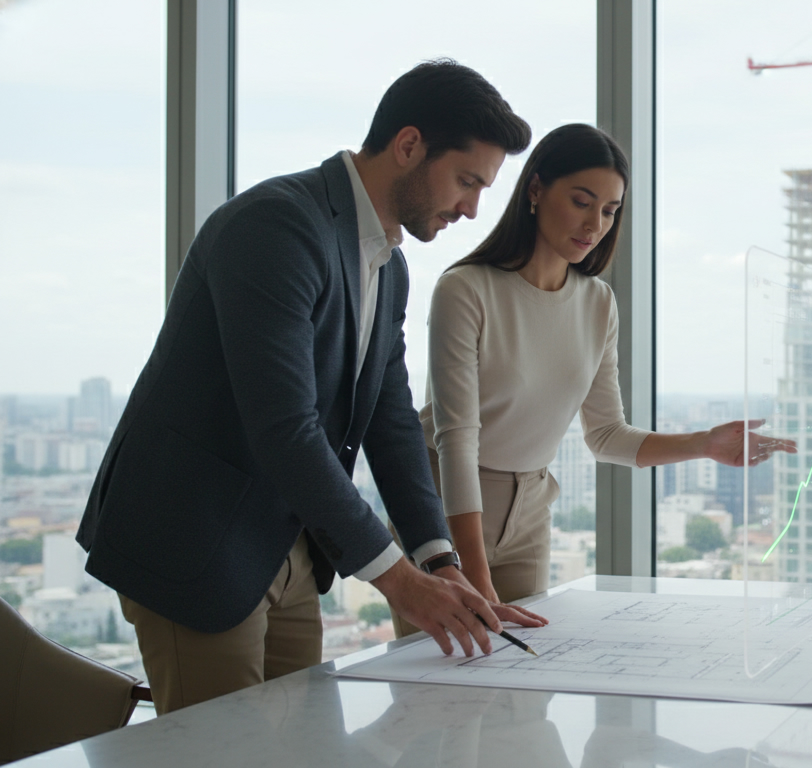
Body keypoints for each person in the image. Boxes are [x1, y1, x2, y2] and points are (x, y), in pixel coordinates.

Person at [76, 59, 545, 715]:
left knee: (302, 746)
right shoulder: (275, 227)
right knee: (223, 756)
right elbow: (284, 428)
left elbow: (391, 421)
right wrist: (400, 583)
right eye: (467, 181)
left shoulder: (389, 264)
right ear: (408, 146)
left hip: (289, 543)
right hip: (196, 541)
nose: (472, 208)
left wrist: (442, 564)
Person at [392, 124, 795, 635]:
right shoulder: (465, 289)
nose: (595, 224)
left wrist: (706, 444)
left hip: (531, 510)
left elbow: (605, 435)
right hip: (446, 508)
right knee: (438, 687)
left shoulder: (598, 303)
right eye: (582, 201)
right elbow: (457, 441)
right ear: (535, 191)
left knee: (525, 701)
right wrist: (472, 576)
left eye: (609, 210)